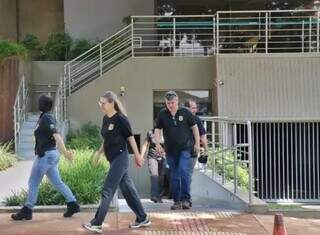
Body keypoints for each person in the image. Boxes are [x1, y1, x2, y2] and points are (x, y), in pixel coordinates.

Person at [82, 91, 150, 234]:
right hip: (112, 159)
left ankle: (97, 223)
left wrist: (138, 156)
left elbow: (130, 138)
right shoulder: (105, 118)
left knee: (107, 190)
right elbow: (106, 139)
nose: (101, 105)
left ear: (112, 102)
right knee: (128, 190)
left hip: (121, 158)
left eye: (103, 103)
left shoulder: (121, 119)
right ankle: (143, 218)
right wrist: (99, 153)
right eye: (100, 103)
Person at [11, 94, 79, 221]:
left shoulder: (47, 118)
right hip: (49, 156)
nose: (38, 103)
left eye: (40, 101)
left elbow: (57, 135)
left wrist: (65, 153)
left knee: (33, 183)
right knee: (57, 182)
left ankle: (27, 209)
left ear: (43, 104)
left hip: (45, 156)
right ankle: (73, 204)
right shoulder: (43, 117)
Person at [154, 91, 200, 210]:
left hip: (185, 148)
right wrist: (158, 143)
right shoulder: (162, 114)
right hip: (170, 151)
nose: (170, 105)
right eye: (168, 103)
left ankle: (186, 200)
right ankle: (177, 201)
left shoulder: (185, 112)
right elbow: (157, 130)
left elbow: (194, 128)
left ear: (177, 101)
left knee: (183, 171)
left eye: (173, 102)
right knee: (174, 175)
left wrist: (197, 143)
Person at [184, 99, 208, 207]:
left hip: (191, 152)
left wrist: (206, 150)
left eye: (195, 107)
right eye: (193, 108)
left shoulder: (197, 119)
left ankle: (185, 199)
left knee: (187, 175)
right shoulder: (179, 118)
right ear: (187, 108)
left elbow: (203, 136)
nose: (195, 110)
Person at [141, 129, 166, 203]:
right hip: (152, 157)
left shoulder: (166, 131)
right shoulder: (150, 133)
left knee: (161, 177)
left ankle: (159, 196)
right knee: (154, 175)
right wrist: (141, 156)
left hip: (163, 157)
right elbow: (145, 145)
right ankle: (154, 196)